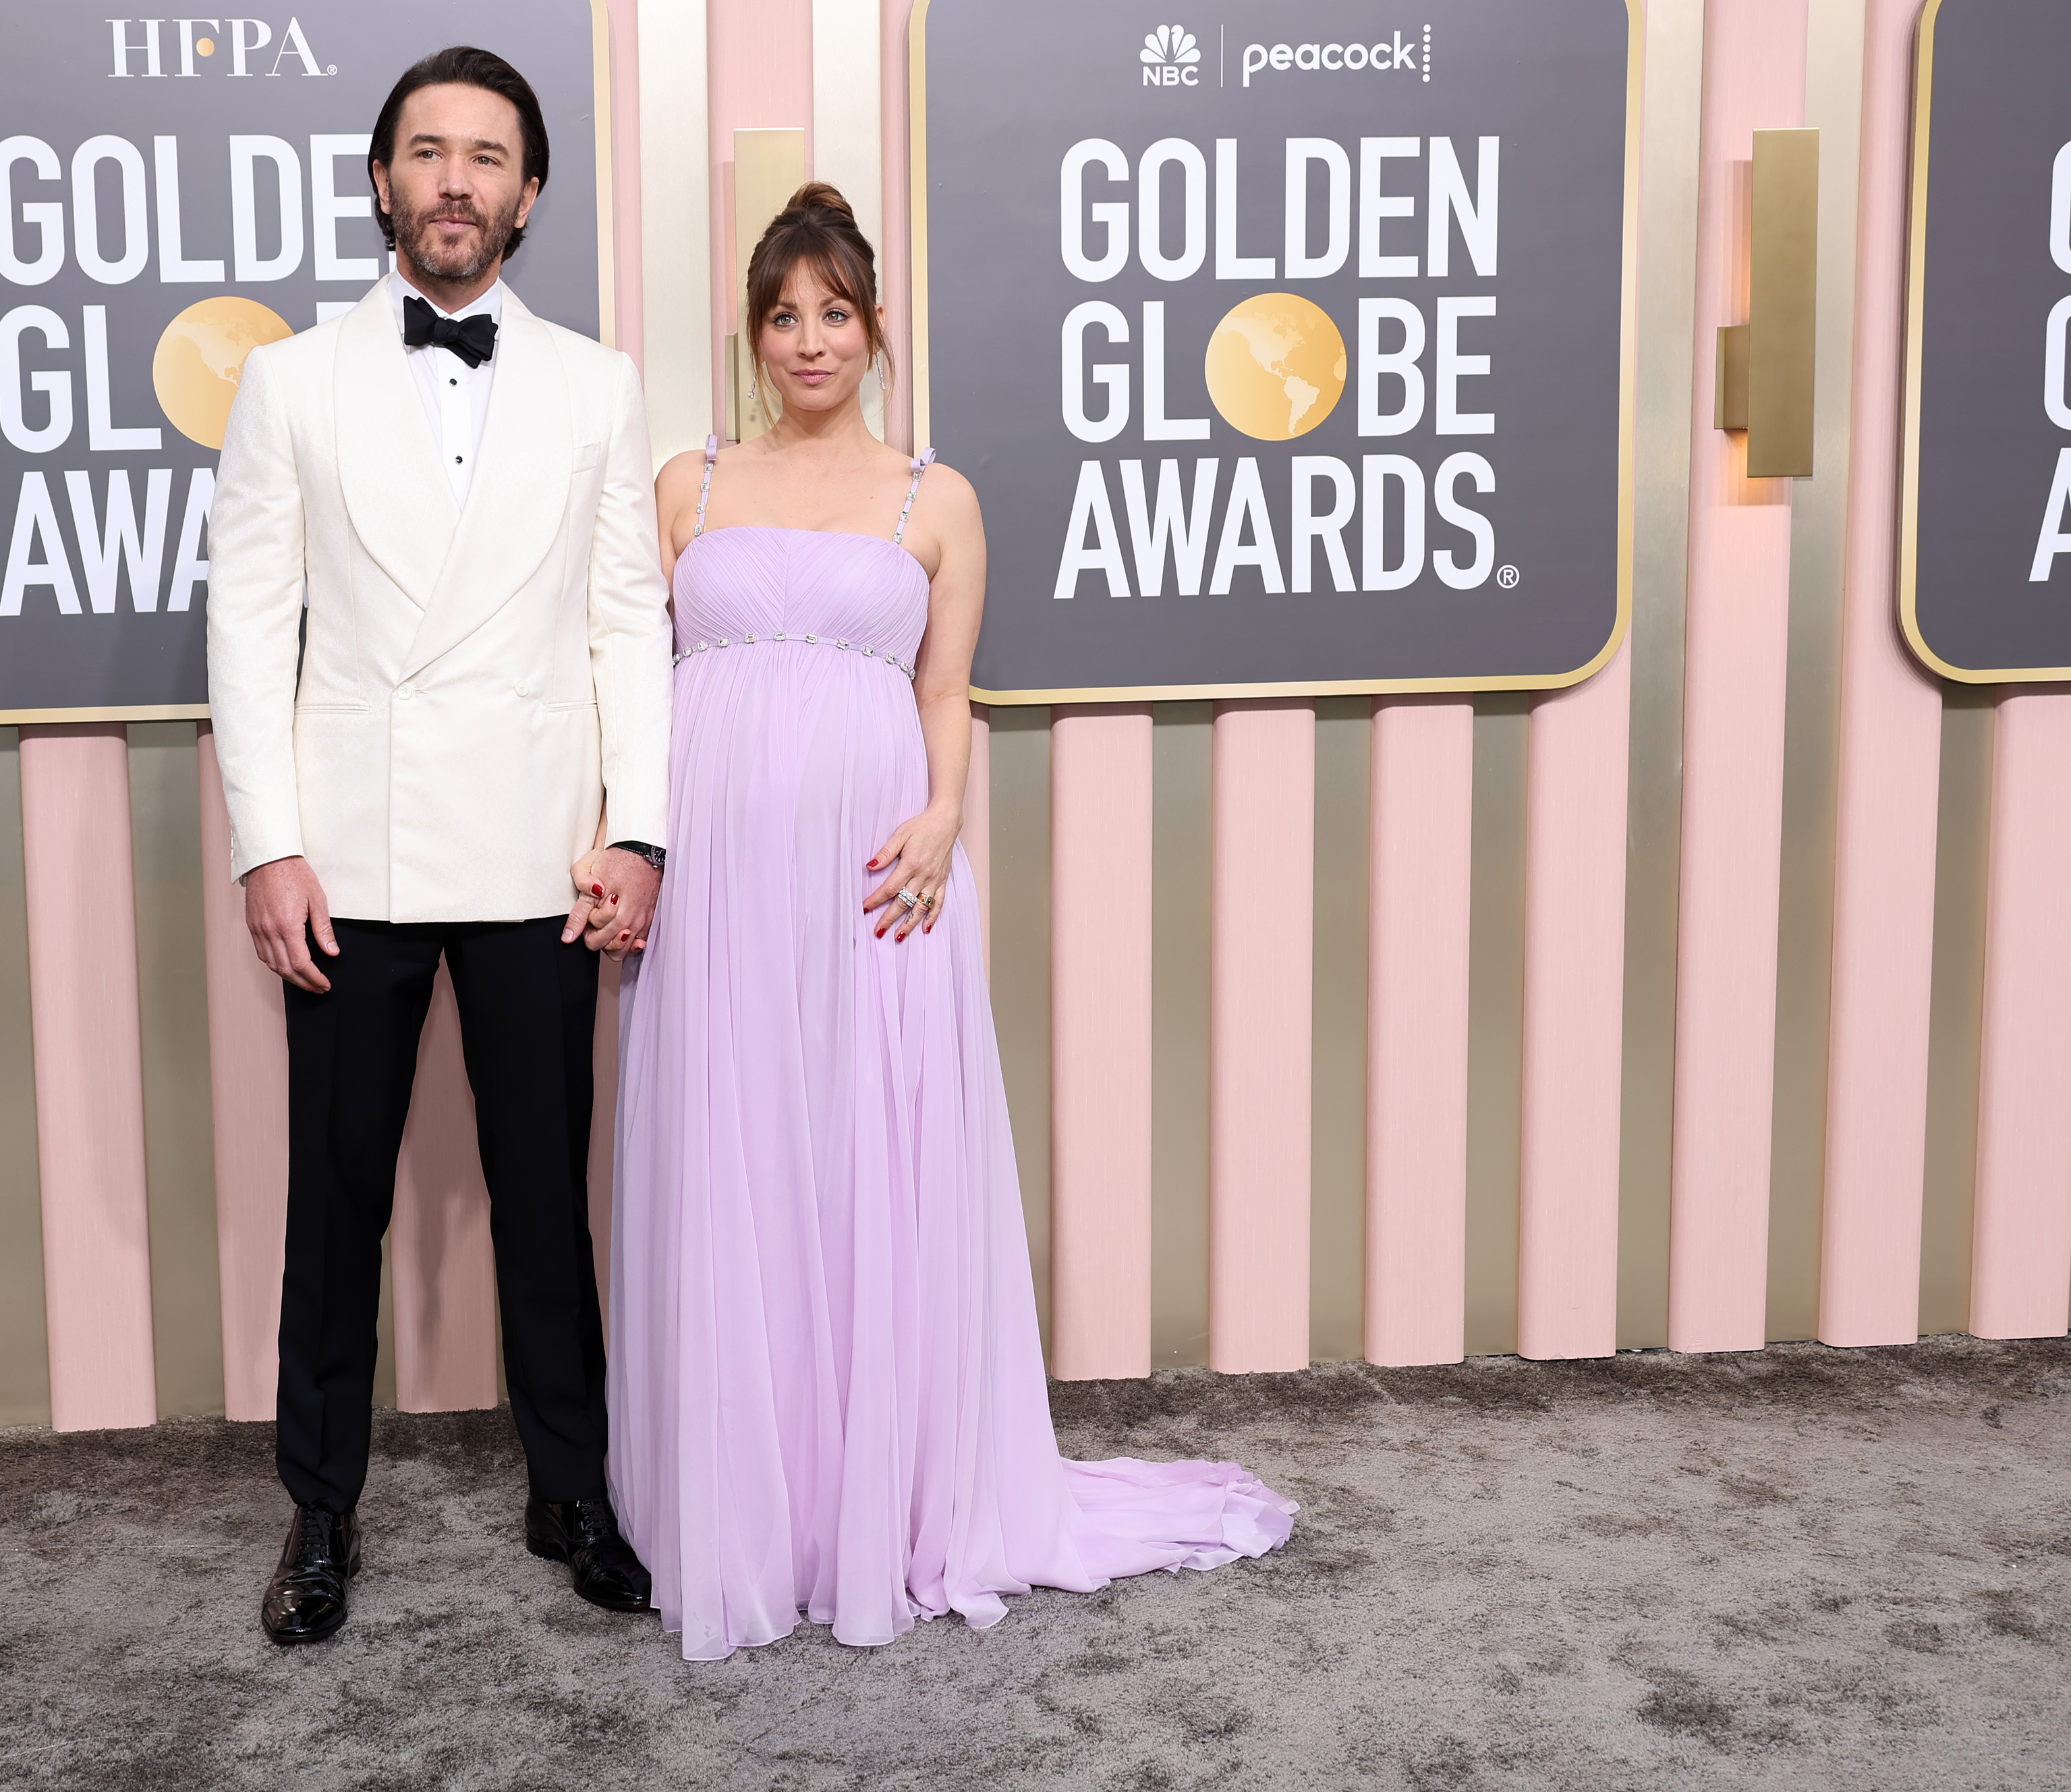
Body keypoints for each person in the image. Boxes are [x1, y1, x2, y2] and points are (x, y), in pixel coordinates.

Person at [601, 184, 1298, 1662]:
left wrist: (943, 815)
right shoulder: (686, 484)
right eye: (782, 314)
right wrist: (625, 839)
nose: (808, 340)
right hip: (717, 886)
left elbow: (944, 692)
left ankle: (886, 1501)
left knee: (867, 1163)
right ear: (751, 331)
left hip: (878, 876)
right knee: (735, 1159)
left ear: (872, 328)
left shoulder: (938, 496)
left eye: (834, 313)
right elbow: (626, 681)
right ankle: (751, 1511)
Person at [207, 45, 671, 1646]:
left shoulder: (597, 385)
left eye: (487, 155)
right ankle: (319, 1507)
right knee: (334, 1206)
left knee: (551, 1199)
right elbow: (250, 627)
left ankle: (575, 1486)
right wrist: (270, 846)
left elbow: (628, 624)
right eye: (429, 151)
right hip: (355, 861)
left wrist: (641, 832)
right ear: (384, 179)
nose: (457, 179)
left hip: (545, 857)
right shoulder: (288, 382)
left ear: (529, 192)